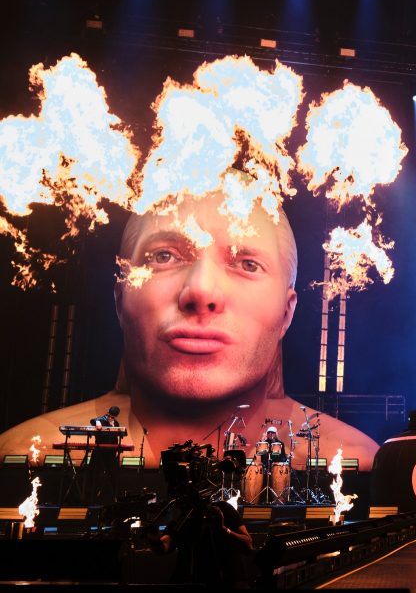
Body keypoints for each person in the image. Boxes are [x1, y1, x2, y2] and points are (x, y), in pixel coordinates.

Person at [0, 187, 379, 471]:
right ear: (120, 300)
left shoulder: (350, 457)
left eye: (247, 264)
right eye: (164, 256)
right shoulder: (24, 452)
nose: (201, 291)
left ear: (286, 313)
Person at [87, 405, 125, 503]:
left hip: (111, 452)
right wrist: (98, 422)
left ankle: (113, 498)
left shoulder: (116, 423)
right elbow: (94, 421)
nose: (110, 418)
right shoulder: (100, 420)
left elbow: (118, 434)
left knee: (113, 474)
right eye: (109, 416)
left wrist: (113, 425)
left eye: (113, 417)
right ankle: (92, 498)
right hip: (100, 451)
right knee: (95, 473)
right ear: (108, 412)